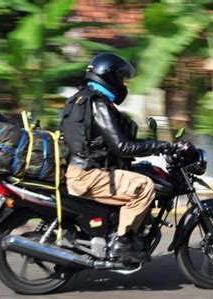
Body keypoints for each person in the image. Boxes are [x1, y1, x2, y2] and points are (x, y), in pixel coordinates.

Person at [61, 53, 173, 262]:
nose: (123, 84)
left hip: (79, 170)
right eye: (120, 79)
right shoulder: (98, 104)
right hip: (89, 175)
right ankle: (123, 243)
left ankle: (116, 231)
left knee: (136, 174)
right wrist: (162, 146)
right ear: (109, 77)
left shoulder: (78, 100)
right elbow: (122, 146)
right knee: (144, 186)